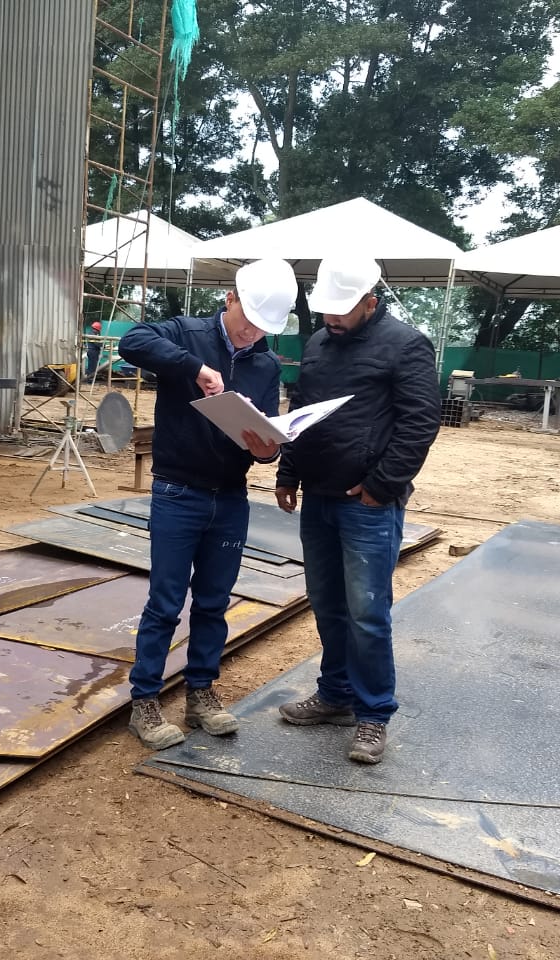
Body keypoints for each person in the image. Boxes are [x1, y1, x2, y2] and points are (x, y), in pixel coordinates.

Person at [118, 257, 296, 750]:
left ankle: (201, 692)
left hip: (230, 496)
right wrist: (193, 368)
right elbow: (131, 342)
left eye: (264, 328)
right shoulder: (187, 335)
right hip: (178, 491)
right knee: (166, 601)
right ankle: (146, 701)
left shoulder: (265, 363)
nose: (253, 334)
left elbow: (263, 433)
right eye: (248, 322)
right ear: (230, 299)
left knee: (215, 602)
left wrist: (268, 449)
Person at [274, 255, 441, 765]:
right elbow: (302, 413)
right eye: (325, 310)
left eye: (342, 310)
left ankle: (373, 716)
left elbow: (420, 422)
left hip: (366, 504)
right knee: (327, 604)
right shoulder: (318, 343)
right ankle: (335, 695)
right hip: (319, 496)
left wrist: (381, 485)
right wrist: (288, 472)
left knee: (367, 613)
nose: (331, 319)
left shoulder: (406, 345)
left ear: (371, 301)